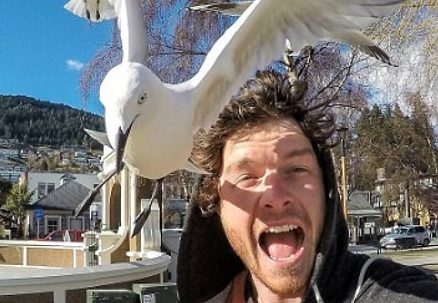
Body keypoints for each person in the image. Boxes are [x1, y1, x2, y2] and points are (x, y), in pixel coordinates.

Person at [177, 70, 438, 302]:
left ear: (326, 192)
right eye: (247, 177)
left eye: (296, 170)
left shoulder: (389, 290)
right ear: (216, 204)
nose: (275, 197)